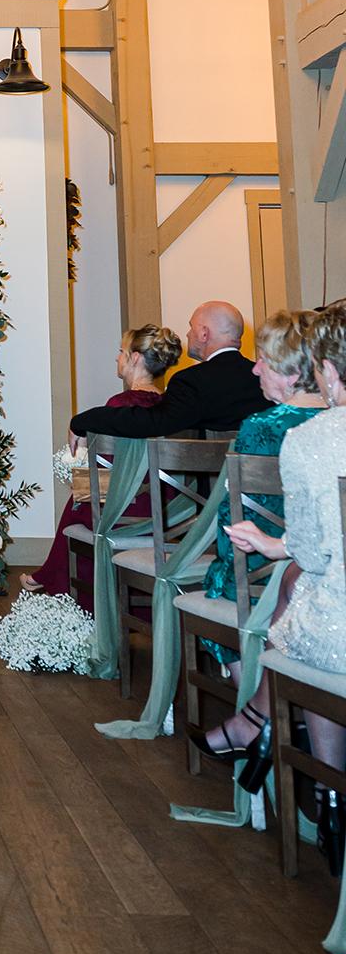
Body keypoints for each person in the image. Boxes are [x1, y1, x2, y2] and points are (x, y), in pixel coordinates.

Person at [215, 302, 346, 871]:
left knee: (300, 606)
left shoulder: (312, 439)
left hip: (337, 629)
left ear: (327, 371)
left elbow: (315, 553)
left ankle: (328, 790)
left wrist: (275, 546)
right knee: (297, 586)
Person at [188, 307, 323, 762]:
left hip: (264, 572)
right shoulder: (334, 424)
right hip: (314, 568)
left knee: (217, 581)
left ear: (292, 373)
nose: (254, 368)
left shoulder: (261, 428)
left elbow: (235, 524)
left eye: (264, 359)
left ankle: (258, 711)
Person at [21, 324, 183, 605]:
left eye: (121, 351)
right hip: (168, 512)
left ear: (135, 358)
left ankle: (64, 587)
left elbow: (106, 473)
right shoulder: (170, 407)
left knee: (80, 499)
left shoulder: (118, 405)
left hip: (124, 512)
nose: (117, 357)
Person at [70, 301, 269, 441]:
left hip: (212, 489)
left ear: (204, 333)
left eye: (191, 327)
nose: (188, 334)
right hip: (262, 486)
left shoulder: (192, 381)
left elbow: (153, 422)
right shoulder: (264, 379)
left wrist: (83, 420)